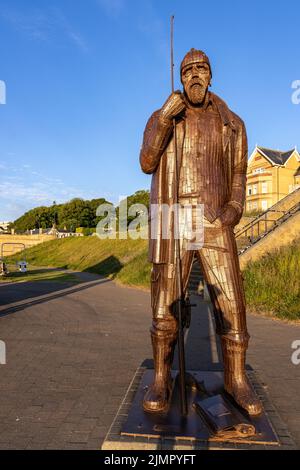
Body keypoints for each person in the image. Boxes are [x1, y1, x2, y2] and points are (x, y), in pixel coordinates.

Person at [140, 48, 262, 416]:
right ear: (180, 79)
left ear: (211, 75)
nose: (195, 75)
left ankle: (236, 379)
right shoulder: (164, 117)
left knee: (231, 304)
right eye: (188, 70)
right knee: (164, 305)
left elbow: (239, 175)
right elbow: (146, 162)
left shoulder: (233, 123)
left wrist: (234, 209)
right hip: (175, 220)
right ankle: (161, 377)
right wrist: (163, 118)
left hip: (214, 220)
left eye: (201, 69)